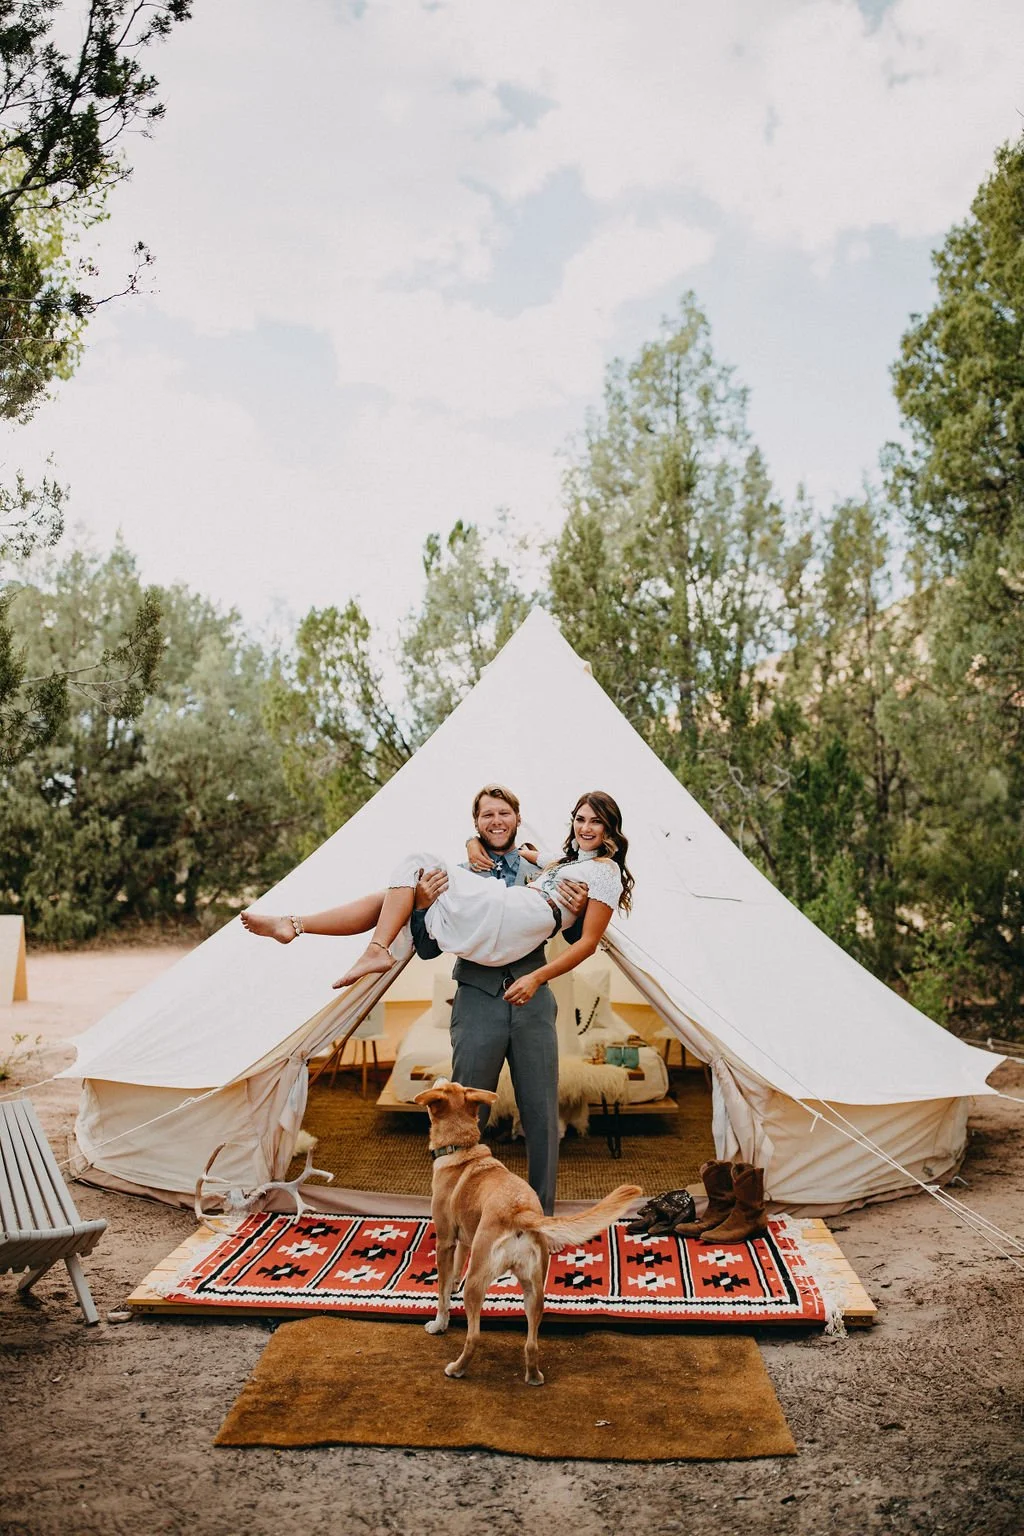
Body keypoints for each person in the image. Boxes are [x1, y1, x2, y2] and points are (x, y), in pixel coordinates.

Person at [242, 788, 635, 1213]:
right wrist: (423, 903)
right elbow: (428, 948)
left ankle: (541, 1212)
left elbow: (579, 933)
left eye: (504, 813)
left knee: (540, 1111)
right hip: (477, 998)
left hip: (532, 998)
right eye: (487, 815)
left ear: (519, 819)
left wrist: (547, 959)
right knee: (461, 1115)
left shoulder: (554, 868)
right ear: (476, 824)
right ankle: (459, 1211)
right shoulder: (463, 873)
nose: (496, 821)